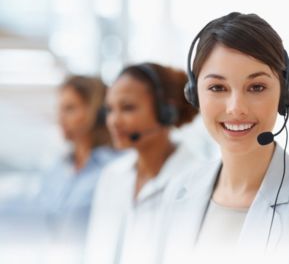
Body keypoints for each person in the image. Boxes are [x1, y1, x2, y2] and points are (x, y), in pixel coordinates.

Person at [155, 12, 289, 264]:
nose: (236, 107)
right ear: (194, 95)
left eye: (256, 87)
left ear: (283, 97)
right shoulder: (178, 192)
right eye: (217, 88)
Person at [83, 62, 201, 264]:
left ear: (166, 112)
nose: (114, 121)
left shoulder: (198, 181)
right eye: (110, 109)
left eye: (127, 108)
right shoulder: (111, 176)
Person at [35, 75, 119, 261]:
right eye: (60, 109)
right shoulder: (56, 168)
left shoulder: (117, 168)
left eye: (70, 109)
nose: (61, 117)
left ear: (98, 112)